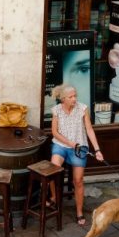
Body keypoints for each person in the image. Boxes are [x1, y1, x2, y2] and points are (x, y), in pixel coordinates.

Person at [49, 83, 103, 226]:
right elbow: (54, 132)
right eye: (70, 97)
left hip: (79, 147)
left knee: (78, 180)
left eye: (75, 96)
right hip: (61, 145)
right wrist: (69, 142)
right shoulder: (56, 111)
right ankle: (54, 197)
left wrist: (97, 150)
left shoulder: (83, 109)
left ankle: (79, 211)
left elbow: (90, 130)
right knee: (52, 170)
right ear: (63, 99)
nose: (74, 99)